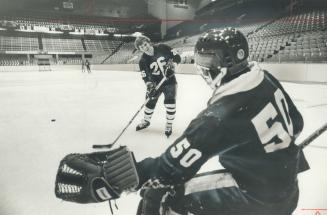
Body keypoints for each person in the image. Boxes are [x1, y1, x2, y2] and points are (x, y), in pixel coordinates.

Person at [55, 28, 309, 215]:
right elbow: (296, 124)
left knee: (158, 196)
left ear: (230, 61)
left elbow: (169, 167)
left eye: (209, 61)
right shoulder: (264, 79)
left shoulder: (219, 117)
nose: (203, 68)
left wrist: (120, 179)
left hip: (258, 198)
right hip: (286, 185)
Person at [134, 35, 181, 137]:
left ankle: (169, 124)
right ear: (140, 49)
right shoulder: (143, 61)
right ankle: (146, 121)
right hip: (156, 84)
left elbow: (177, 57)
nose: (145, 47)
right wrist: (150, 86)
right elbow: (145, 76)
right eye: (142, 47)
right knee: (149, 103)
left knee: (170, 104)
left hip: (170, 81)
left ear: (148, 42)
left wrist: (173, 67)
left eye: (145, 44)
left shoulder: (163, 47)